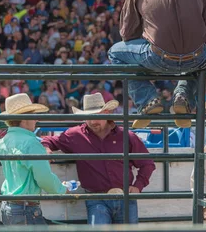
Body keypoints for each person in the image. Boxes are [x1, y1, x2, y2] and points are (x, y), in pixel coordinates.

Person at [108, 0, 206, 128]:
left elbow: (126, 33)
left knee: (115, 53)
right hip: (196, 58)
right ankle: (183, 96)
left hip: (158, 56)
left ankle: (147, 100)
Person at [41, 93, 156, 224]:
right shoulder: (75, 135)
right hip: (96, 198)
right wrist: (46, 148)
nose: (92, 122)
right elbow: (50, 140)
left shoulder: (126, 136)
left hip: (124, 196)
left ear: (106, 113)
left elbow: (147, 164)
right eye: (88, 117)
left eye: (96, 116)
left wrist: (138, 186)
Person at [0, 93, 72, 226]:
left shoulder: (3, 141)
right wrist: (61, 189)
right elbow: (43, 178)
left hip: (8, 206)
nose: (36, 120)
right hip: (26, 209)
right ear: (25, 118)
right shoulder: (31, 143)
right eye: (33, 115)